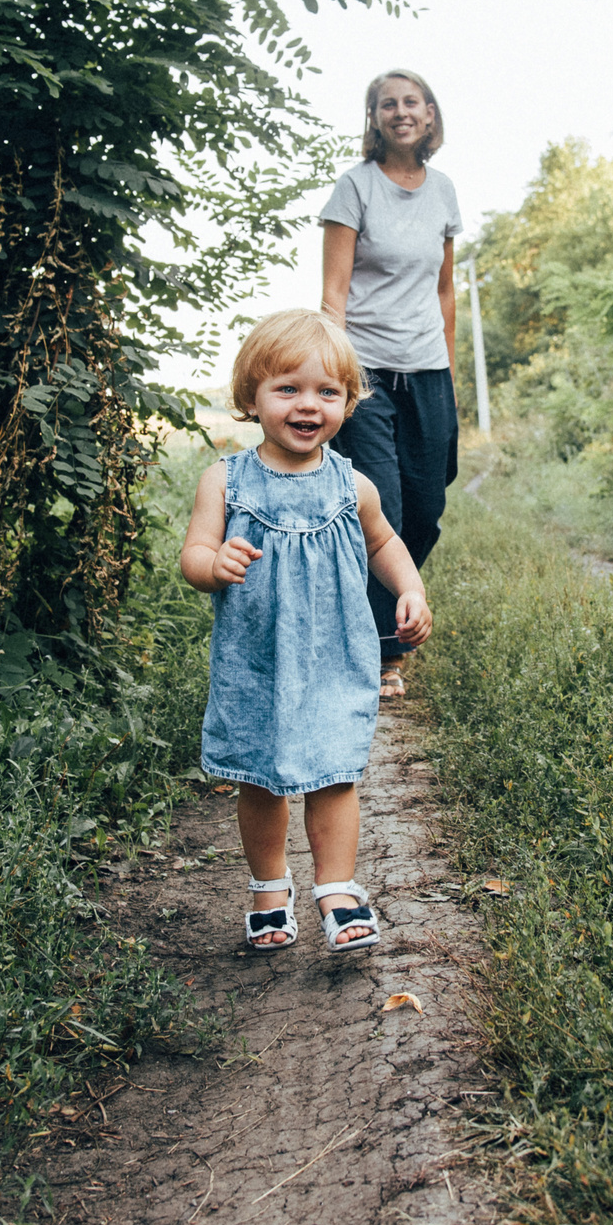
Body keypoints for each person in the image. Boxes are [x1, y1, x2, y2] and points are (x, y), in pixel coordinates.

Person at [180, 310, 432, 952]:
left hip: (333, 657)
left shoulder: (353, 484)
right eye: (287, 389)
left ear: (349, 402)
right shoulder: (227, 481)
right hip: (256, 660)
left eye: (327, 392)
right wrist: (216, 564)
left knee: (335, 772)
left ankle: (337, 891)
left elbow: (385, 543)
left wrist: (410, 588)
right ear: (251, 398)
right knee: (260, 779)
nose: (307, 405)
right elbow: (193, 557)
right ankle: (269, 888)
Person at [320, 68, 462, 700]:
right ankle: (383, 651)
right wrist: (336, 378)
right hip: (367, 372)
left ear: (429, 115)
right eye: (387, 104)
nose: (400, 112)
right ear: (373, 118)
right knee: (385, 509)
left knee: (428, 507)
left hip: (429, 371)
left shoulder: (445, 191)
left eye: (412, 102)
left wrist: (450, 372)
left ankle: (383, 612)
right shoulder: (354, 188)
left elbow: (445, 289)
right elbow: (333, 293)